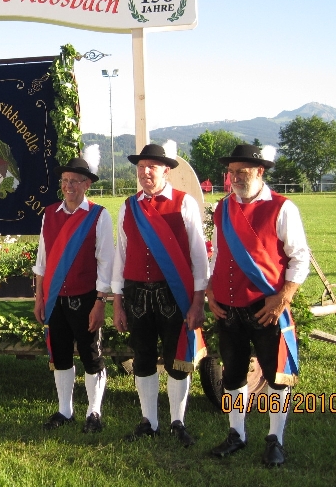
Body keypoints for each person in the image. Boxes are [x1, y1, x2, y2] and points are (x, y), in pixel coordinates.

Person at [206, 144, 309, 467]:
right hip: (228, 307)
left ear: (260, 172)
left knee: (276, 376)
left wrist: (283, 297)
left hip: (266, 307)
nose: (235, 178)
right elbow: (217, 254)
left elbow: (299, 258)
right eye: (231, 172)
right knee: (233, 374)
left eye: (242, 172)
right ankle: (236, 433)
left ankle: (275, 439)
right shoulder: (223, 208)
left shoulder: (282, 207)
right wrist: (210, 290)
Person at [111, 142, 209, 446]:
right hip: (136, 294)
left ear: (166, 170)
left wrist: (197, 301)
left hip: (173, 293)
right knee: (142, 357)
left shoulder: (184, 203)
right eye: (141, 167)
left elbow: (199, 256)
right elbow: (121, 255)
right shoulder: (128, 206)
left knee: (176, 358)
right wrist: (117, 302)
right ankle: (149, 421)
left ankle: (177, 422)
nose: (145, 172)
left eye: (151, 167)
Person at [33, 155, 114, 434]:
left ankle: (94, 412)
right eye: (65, 180)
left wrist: (100, 302)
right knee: (61, 356)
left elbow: (106, 262)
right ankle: (64, 410)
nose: (68, 186)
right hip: (55, 298)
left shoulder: (99, 215)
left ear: (87, 184)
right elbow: (42, 261)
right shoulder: (49, 214)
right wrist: (39, 297)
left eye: (75, 181)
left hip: (86, 298)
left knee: (91, 356)